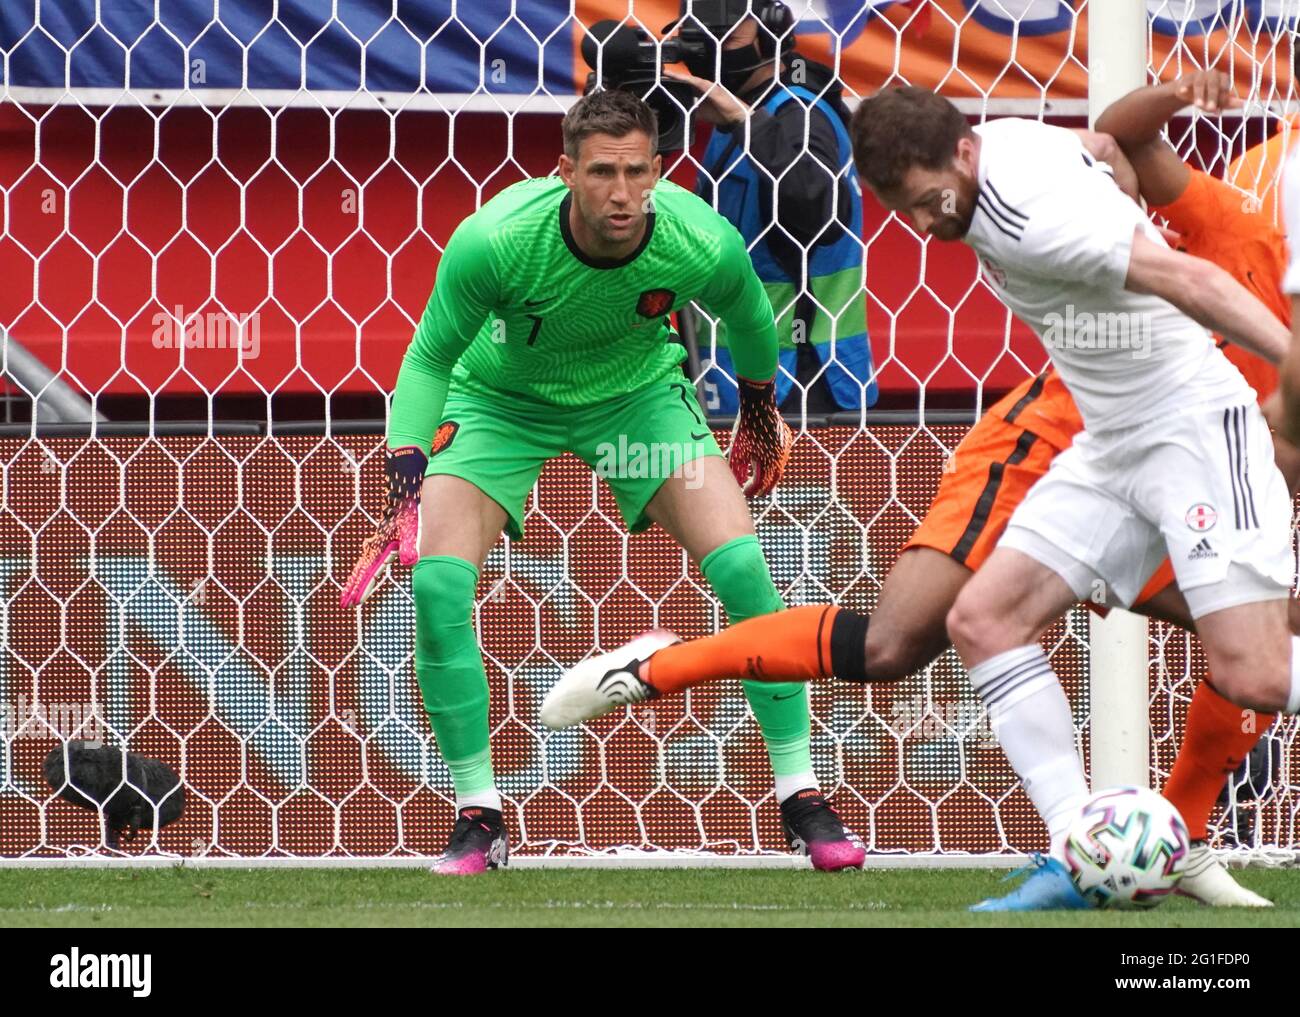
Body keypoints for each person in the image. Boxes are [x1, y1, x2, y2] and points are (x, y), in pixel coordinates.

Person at [542, 79, 1300, 907]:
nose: (926, 222)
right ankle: (1085, 852)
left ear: (966, 154)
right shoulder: (1069, 181)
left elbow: (1184, 277)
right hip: (1099, 441)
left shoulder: (1056, 218)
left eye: (928, 199)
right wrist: (1164, 102)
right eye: (905, 207)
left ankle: (1170, 833)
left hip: (1183, 437)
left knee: (1254, 670)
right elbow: (1119, 154)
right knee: (955, 626)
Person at [340, 88, 866, 874]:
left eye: (634, 172)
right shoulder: (497, 240)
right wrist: (406, 472)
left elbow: (751, 315)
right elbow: (427, 358)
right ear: (565, 172)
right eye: (600, 173)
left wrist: (759, 405)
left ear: (658, 170)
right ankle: (479, 813)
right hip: (499, 405)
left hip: (634, 403)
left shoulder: (697, 238)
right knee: (439, 588)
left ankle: (802, 794)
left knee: (746, 567)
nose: (621, 193)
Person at [664, 0, 876, 414]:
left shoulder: (800, 111)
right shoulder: (740, 112)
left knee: (800, 483)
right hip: (737, 371)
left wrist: (743, 122)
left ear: (772, 33)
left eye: (727, 35)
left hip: (803, 373)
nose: (711, 46)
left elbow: (817, 207)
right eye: (700, 34)